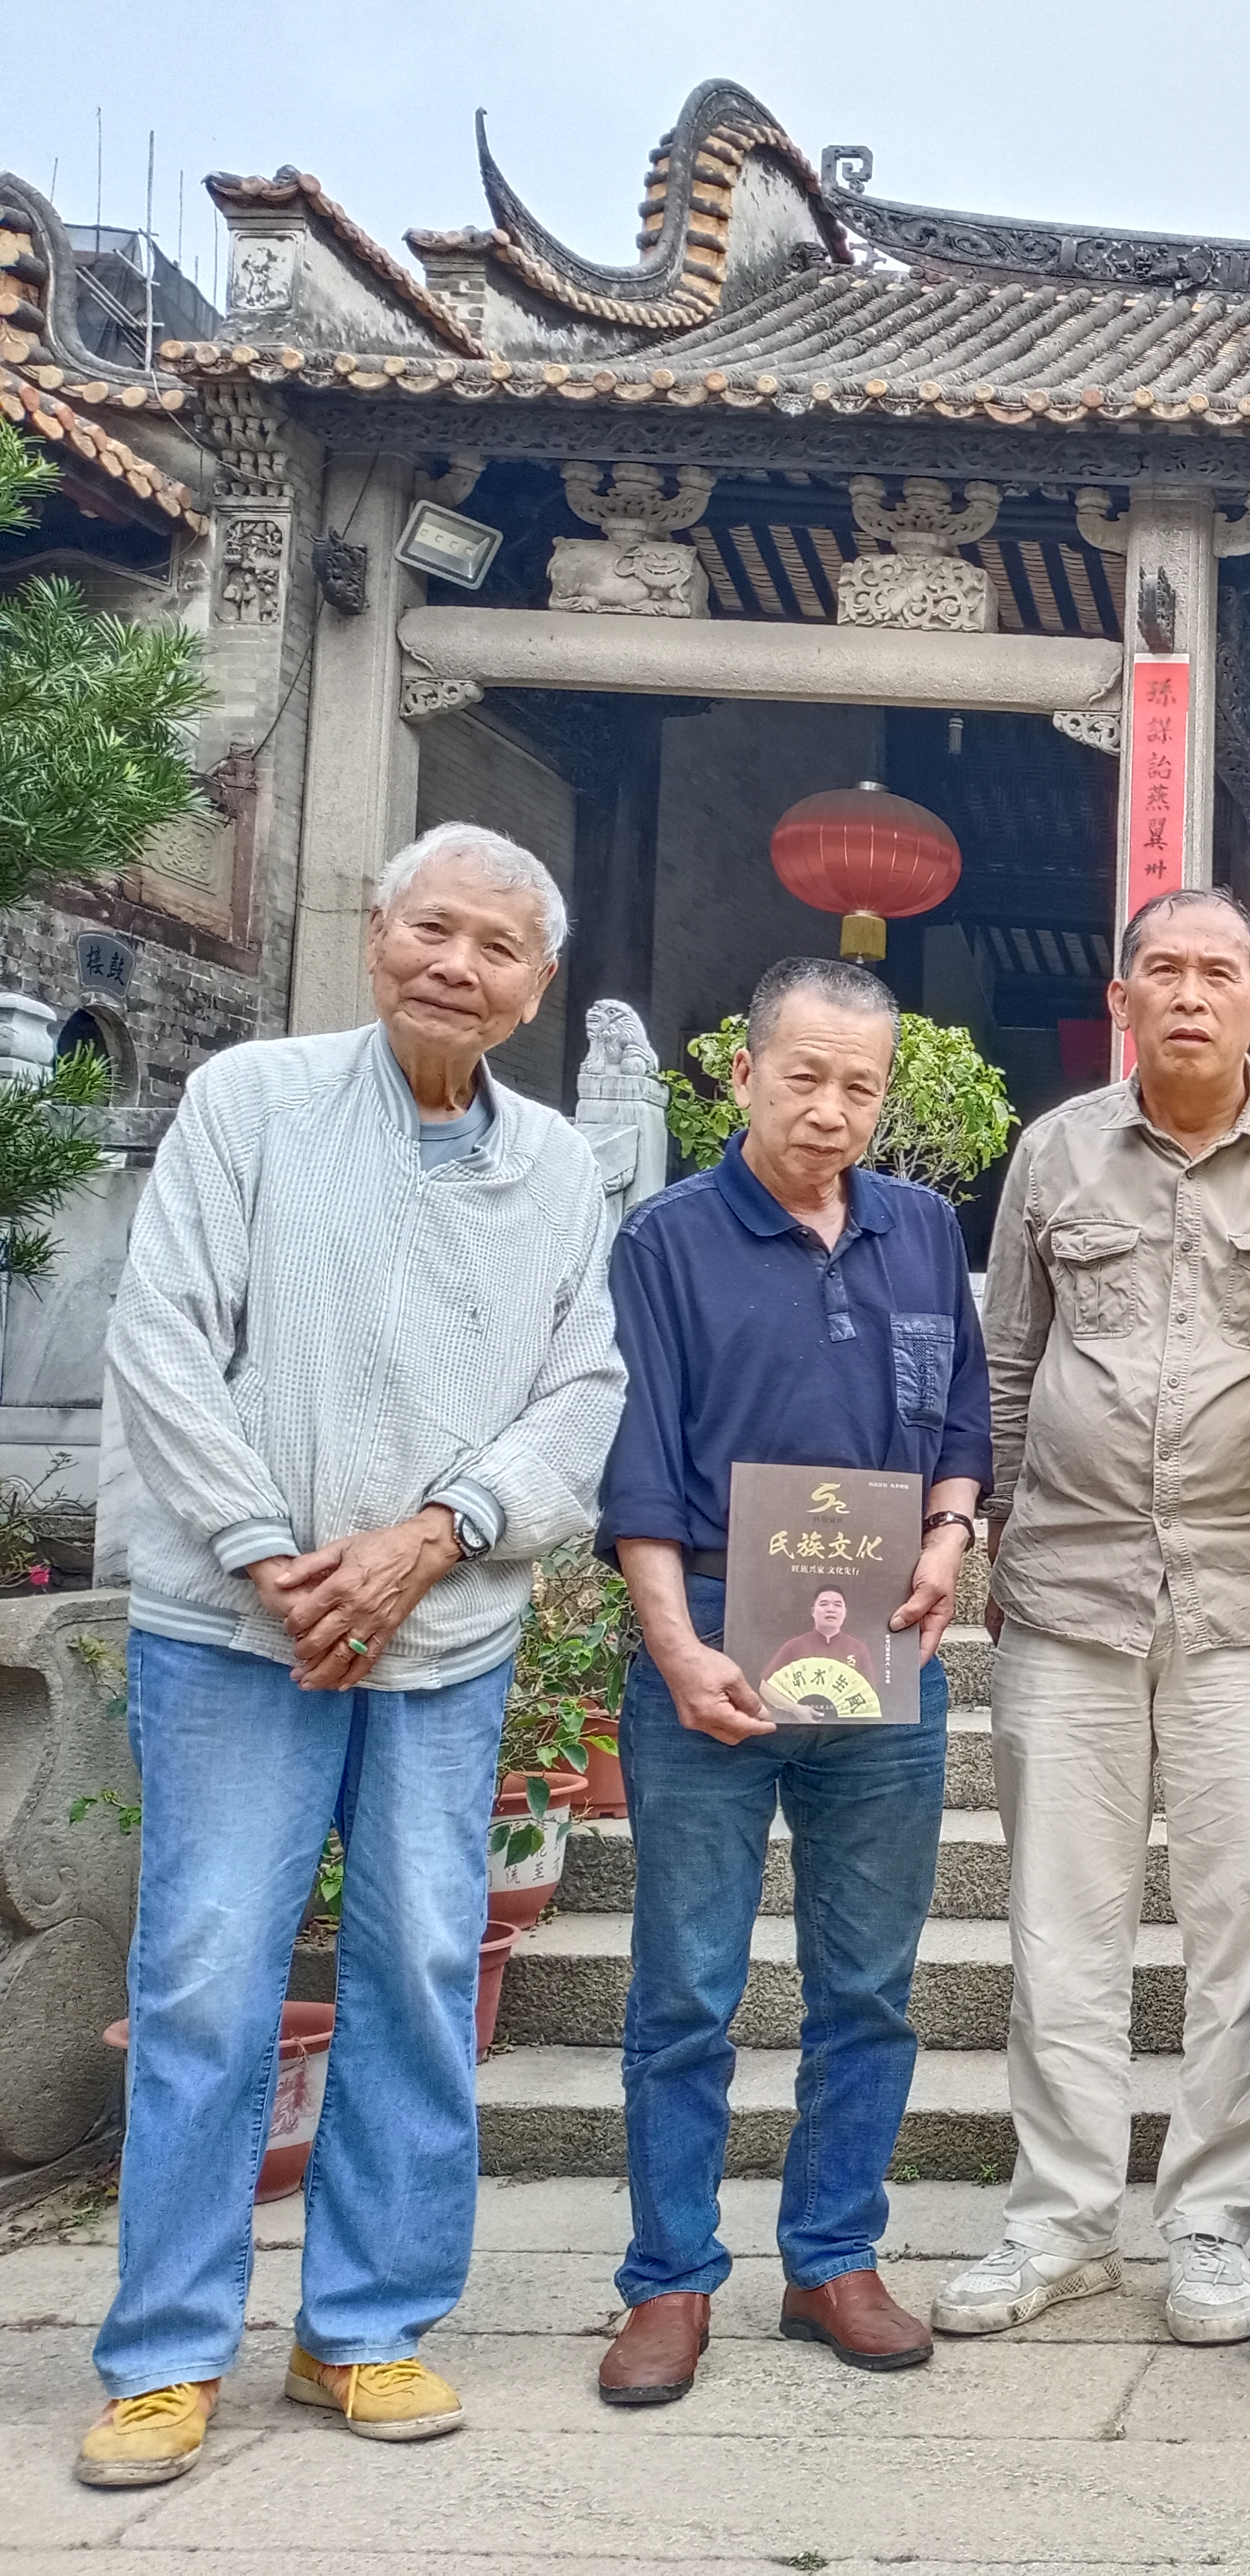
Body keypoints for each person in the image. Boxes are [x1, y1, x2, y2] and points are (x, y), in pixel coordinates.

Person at [82, 822, 625, 2485]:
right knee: (205, 1977)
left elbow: (582, 1392)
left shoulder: (560, 1169)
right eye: (431, 928)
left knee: (418, 1969)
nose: (456, 966)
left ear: (538, 987)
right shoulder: (250, 1100)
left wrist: (438, 1533)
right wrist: (267, 1552)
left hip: (443, 1631)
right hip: (236, 1628)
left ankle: (364, 2328)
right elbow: (164, 1337)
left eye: (497, 947)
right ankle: (168, 2353)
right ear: (379, 930)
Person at [941, 888, 1250, 2348]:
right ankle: (1058, 2222)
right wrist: (991, 1535)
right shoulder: (1057, 1151)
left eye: (1218, 974)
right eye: (1164, 971)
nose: (1190, 995)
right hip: (1067, 1597)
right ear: (1121, 997)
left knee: (1242, 1933)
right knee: (1058, 1929)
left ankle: (1209, 2225)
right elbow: (1010, 1360)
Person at [592, 957, 991, 2405]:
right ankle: (670, 2279)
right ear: (744, 1072)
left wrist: (950, 1535)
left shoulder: (920, 1229)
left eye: (859, 1087)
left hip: (882, 1634)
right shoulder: (667, 1241)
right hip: (708, 1625)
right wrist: (673, 1642)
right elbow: (637, 1459)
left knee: (869, 1983)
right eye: (805, 1076)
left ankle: (833, 2255)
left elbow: (962, 1417)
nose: (831, 1109)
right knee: (687, 1988)